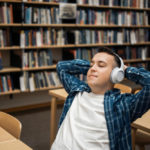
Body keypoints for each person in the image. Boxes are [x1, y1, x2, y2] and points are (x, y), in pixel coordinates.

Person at [50, 47, 150, 150]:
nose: (93, 68)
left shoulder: (122, 104)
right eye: (92, 64)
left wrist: (125, 70)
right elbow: (61, 67)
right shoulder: (78, 90)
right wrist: (90, 68)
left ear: (115, 75)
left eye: (101, 65)